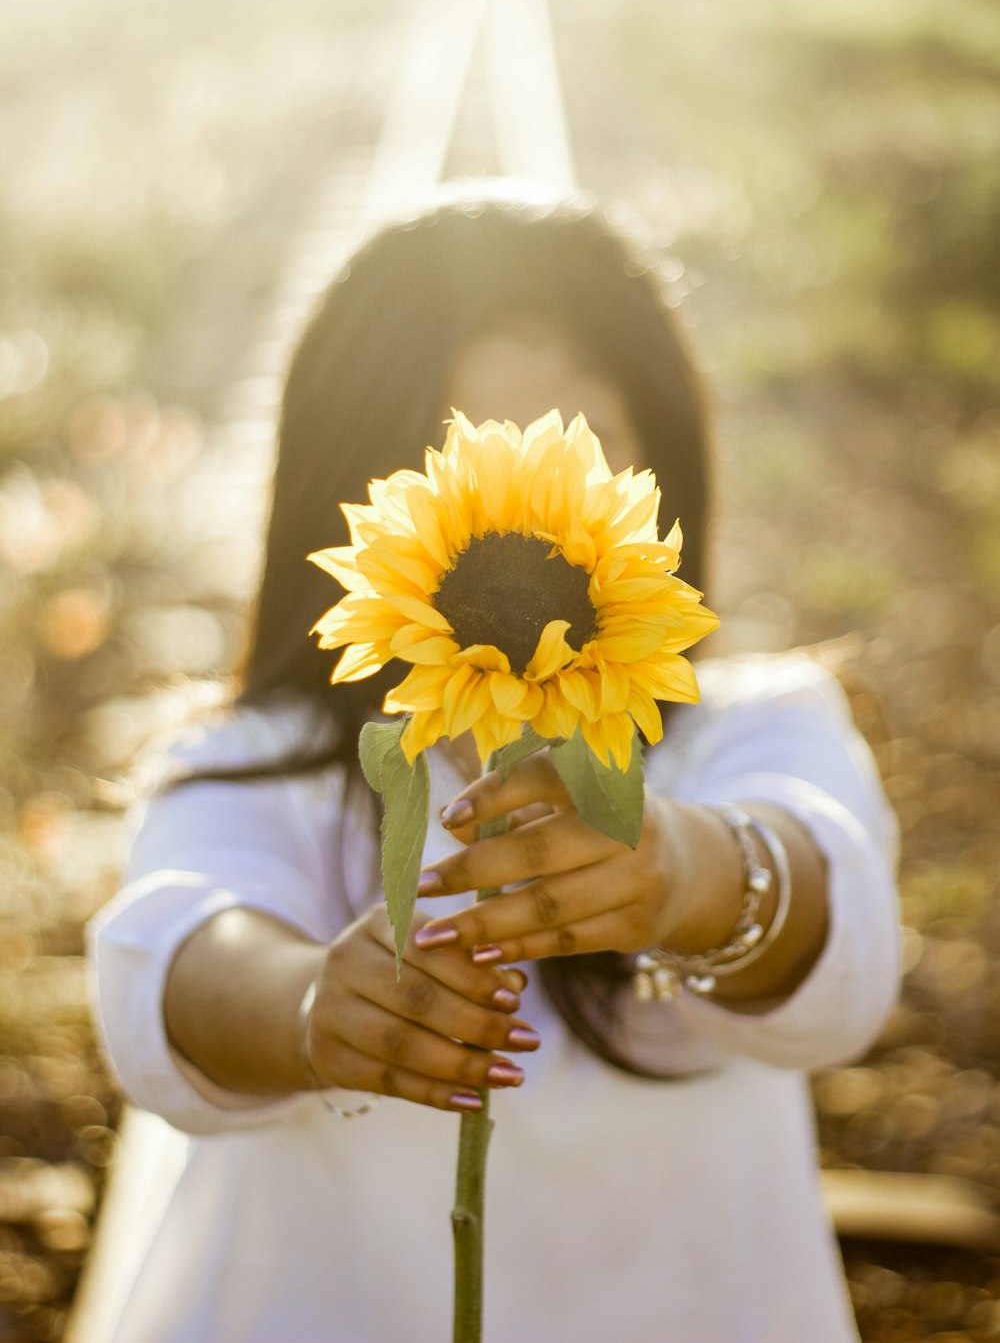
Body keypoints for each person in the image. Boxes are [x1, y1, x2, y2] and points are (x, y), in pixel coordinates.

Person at [86, 181, 901, 1343]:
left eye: (584, 447)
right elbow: (181, 941)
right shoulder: (254, 768)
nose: (536, 493)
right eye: (461, 446)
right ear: (355, 493)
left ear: (662, 459)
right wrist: (312, 1002)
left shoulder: (750, 729)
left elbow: (832, 912)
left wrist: (689, 872)